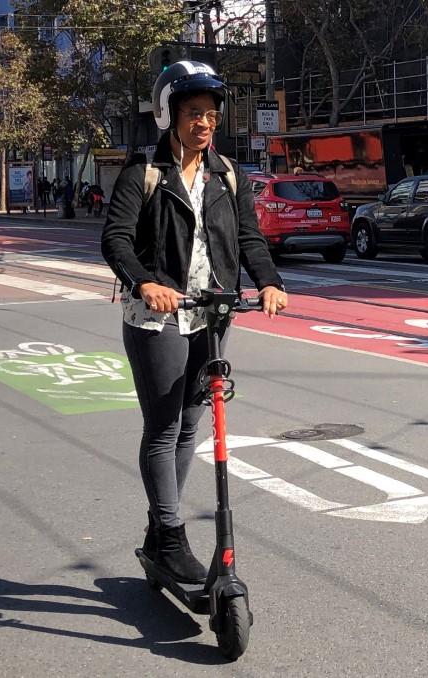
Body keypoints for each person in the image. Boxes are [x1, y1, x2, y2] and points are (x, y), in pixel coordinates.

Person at [102, 60, 289, 584]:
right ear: (170, 116)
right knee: (163, 429)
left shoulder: (228, 175)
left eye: (210, 114)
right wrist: (145, 282)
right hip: (156, 316)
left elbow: (249, 238)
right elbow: (114, 240)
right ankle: (168, 534)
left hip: (213, 313)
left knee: (190, 426)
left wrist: (268, 282)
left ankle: (159, 524)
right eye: (193, 114)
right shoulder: (144, 175)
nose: (204, 123)